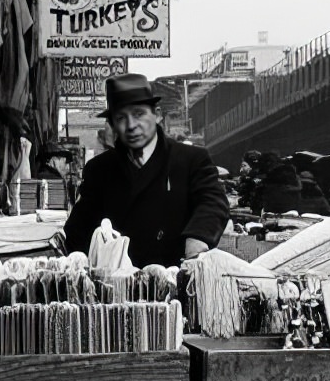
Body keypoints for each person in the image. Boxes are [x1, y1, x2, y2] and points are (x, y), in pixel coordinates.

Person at [64, 73, 230, 267]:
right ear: (113, 125)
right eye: (121, 118)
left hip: (173, 278)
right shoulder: (99, 170)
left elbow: (213, 202)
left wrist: (198, 238)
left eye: (138, 114)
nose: (132, 126)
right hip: (117, 285)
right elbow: (78, 229)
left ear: (157, 114)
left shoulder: (191, 160)